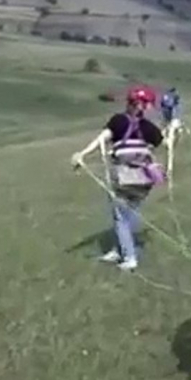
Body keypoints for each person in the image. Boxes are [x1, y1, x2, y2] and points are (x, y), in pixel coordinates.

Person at [71, 86, 164, 271]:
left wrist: (82, 154)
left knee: (120, 218)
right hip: (144, 181)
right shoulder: (149, 128)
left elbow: (102, 140)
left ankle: (130, 258)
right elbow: (163, 142)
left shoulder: (118, 121)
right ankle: (118, 249)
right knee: (129, 216)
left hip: (123, 179)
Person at [160, 88, 182, 177]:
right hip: (169, 123)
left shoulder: (174, 102)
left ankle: (169, 169)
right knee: (168, 147)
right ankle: (169, 168)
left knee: (170, 148)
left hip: (173, 123)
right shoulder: (169, 101)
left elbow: (172, 113)